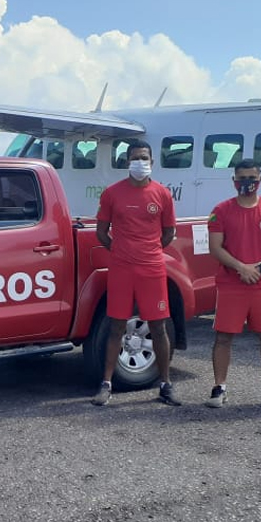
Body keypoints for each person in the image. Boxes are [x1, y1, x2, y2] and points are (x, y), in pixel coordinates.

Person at [91, 140, 180, 407]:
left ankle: (164, 384)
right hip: (121, 268)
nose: (139, 162)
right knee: (117, 325)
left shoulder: (162, 194)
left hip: (152, 268)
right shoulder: (112, 193)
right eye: (134, 158)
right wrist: (120, 250)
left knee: (158, 325)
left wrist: (148, 251)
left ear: (152, 161)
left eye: (143, 158)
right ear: (127, 162)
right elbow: (101, 232)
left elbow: (168, 233)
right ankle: (106, 384)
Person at [205, 159, 261, 409]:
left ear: (260, 181)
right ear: (234, 181)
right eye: (242, 179)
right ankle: (219, 387)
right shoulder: (221, 210)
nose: (247, 183)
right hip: (232, 283)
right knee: (223, 337)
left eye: (252, 179)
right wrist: (241, 268)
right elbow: (215, 247)